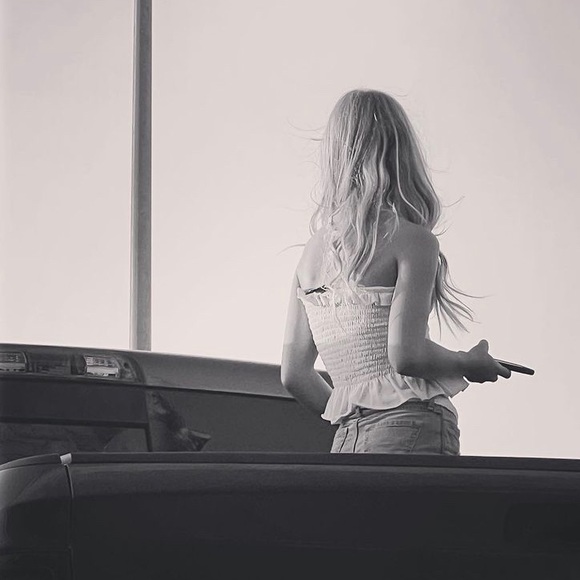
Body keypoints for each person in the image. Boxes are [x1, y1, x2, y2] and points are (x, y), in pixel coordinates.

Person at [281, 89, 511, 455]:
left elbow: (294, 375)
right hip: (412, 422)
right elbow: (406, 355)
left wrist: (355, 417)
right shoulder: (413, 240)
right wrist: (468, 363)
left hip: (348, 438)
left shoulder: (311, 255)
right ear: (401, 152)